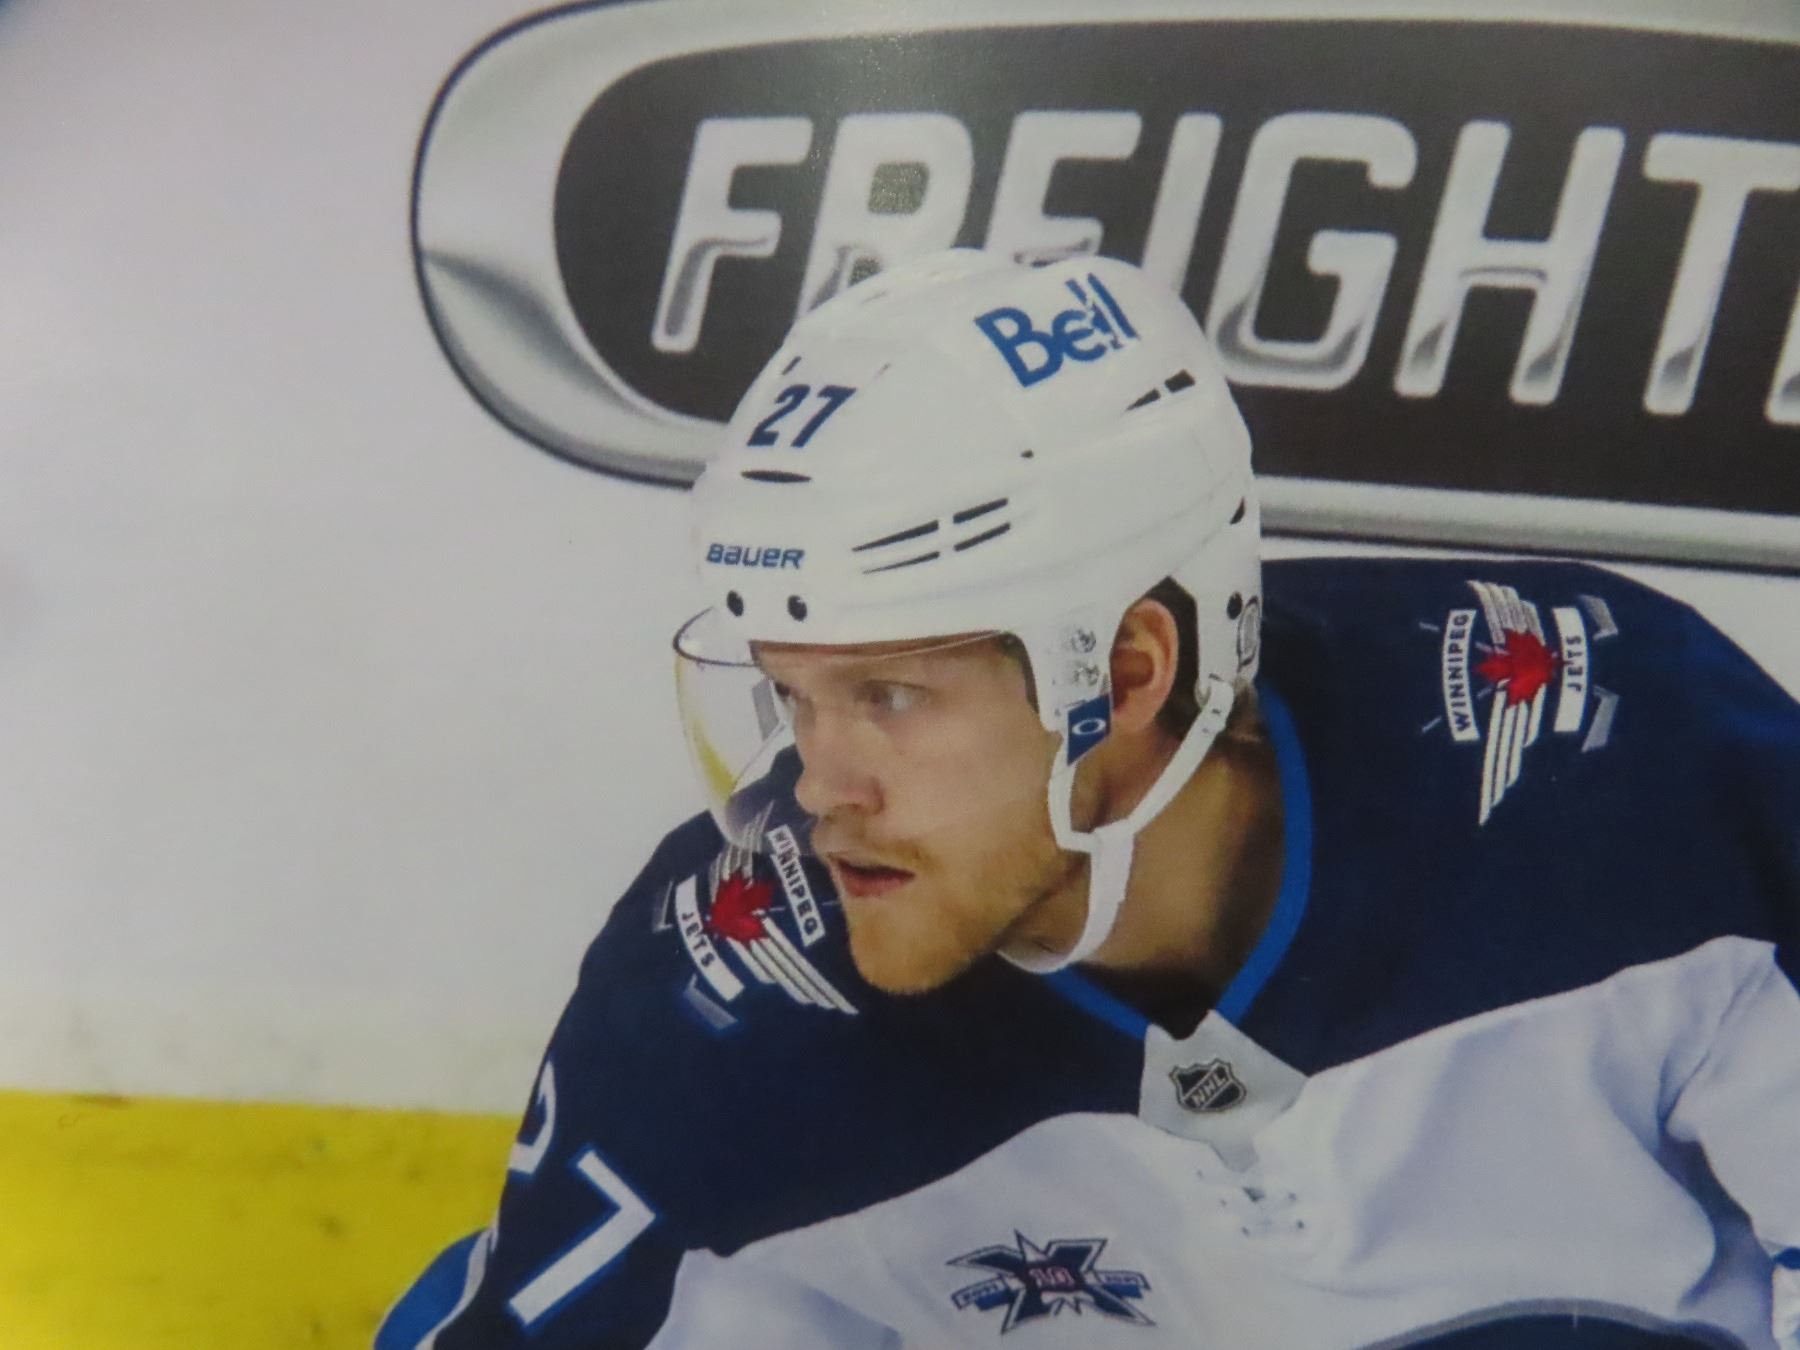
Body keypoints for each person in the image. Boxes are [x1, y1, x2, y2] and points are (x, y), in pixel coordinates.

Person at [379, 250, 1800, 1349]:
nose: (818, 790)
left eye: (890, 696)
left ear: (1125, 671)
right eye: (790, 696)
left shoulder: (1613, 750)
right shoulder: (725, 1004)